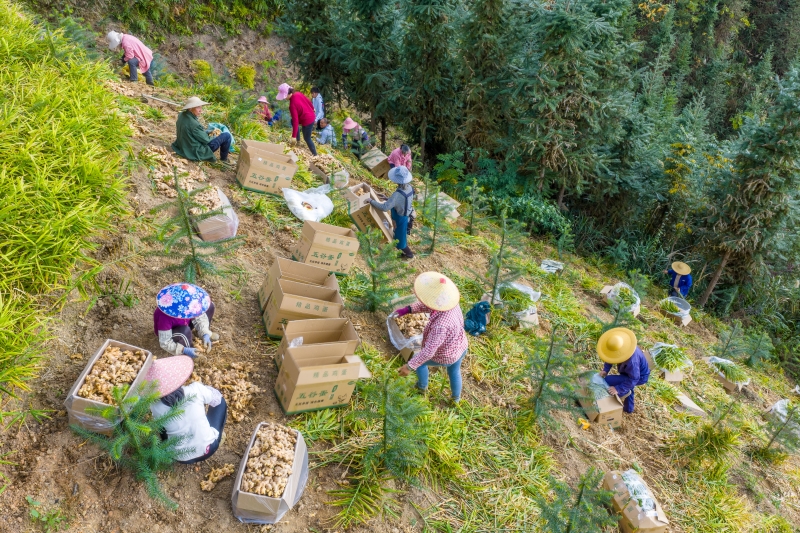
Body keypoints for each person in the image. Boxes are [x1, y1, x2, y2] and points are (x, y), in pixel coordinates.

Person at [395, 272, 469, 403]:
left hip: (446, 354)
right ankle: (456, 399)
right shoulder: (449, 302)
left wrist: (410, 366)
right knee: (454, 371)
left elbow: (429, 351)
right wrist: (407, 309)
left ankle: (421, 387)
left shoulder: (440, 325)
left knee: (419, 362)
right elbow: (428, 305)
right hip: (461, 346)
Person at [146, 355, 227, 464]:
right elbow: (216, 399)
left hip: (179, 457)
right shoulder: (195, 390)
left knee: (162, 424)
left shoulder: (155, 406)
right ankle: (217, 436)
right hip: (208, 449)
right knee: (220, 402)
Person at [153, 283, 219, 359]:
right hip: (172, 332)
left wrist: (205, 333)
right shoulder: (164, 317)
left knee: (209, 306)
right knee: (184, 331)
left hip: (185, 323)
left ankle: (201, 334)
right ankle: (191, 353)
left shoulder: (190, 305)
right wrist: (184, 350)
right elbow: (165, 342)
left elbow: (199, 314)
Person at [597, 327, 650, 414]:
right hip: (629, 374)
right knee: (628, 386)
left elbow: (634, 378)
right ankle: (629, 409)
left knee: (608, 381)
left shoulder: (632, 362)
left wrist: (618, 389)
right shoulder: (620, 345)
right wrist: (605, 370)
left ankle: (613, 401)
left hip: (639, 377)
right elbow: (611, 357)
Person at [172, 97, 233, 166]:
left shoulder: (181, 115)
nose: (200, 110)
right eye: (198, 107)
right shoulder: (194, 124)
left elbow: (194, 132)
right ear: (190, 108)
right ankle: (224, 160)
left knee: (211, 134)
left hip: (182, 145)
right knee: (227, 136)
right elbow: (206, 140)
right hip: (195, 151)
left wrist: (207, 132)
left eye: (201, 107)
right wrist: (215, 134)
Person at [369, 167, 415, 259]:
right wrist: (388, 199)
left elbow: (384, 207)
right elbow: (402, 201)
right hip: (408, 214)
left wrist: (371, 201)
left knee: (401, 241)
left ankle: (409, 255)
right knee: (399, 234)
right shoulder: (409, 187)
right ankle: (402, 249)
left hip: (402, 218)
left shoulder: (397, 194)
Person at [276, 83, 317, 156]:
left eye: (284, 97)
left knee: (307, 138)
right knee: (292, 121)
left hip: (308, 120)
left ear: (288, 94)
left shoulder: (292, 105)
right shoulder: (298, 93)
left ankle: (315, 155)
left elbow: (296, 121)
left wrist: (293, 136)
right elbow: (307, 100)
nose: (284, 98)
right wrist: (312, 108)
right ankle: (298, 141)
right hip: (310, 114)